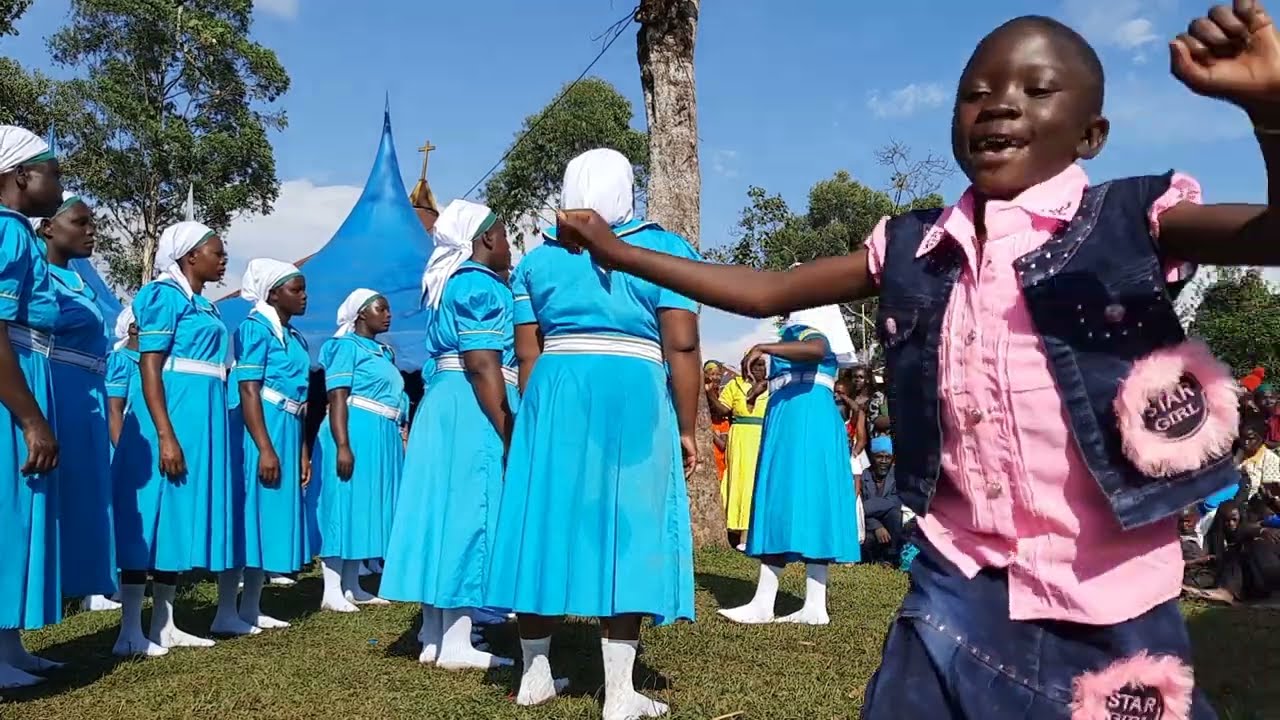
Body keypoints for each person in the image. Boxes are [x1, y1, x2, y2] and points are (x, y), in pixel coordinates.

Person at [552, 5, 1280, 714]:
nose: (999, 106)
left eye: (1036, 89)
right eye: (977, 92)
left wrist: (1269, 114)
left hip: (1107, 589)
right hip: (956, 580)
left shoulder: (1130, 221)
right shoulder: (913, 246)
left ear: (1091, 134)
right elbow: (767, 289)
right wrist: (621, 253)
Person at [484, 148, 701, 719]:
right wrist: (685, 427)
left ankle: (534, 674)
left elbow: (526, 355)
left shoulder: (536, 262)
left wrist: (539, 418)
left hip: (555, 391)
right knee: (628, 525)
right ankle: (621, 693)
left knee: (546, 521)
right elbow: (681, 345)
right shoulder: (662, 248)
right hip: (633, 388)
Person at [381, 199, 517, 671]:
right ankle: (458, 639)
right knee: (469, 511)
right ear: (483, 241)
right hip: (470, 403)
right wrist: (507, 425)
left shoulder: (445, 287)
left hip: (442, 401)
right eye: (503, 236)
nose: (509, 245)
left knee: (442, 511)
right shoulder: (479, 286)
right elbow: (483, 364)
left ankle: (434, 633)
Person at [111, 220, 234, 656]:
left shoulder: (203, 304)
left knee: (176, 519)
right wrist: (165, 433)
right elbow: (150, 365)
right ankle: (129, 629)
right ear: (189, 256)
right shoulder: (161, 296)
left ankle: (164, 623)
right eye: (216, 252)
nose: (223, 259)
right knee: (150, 513)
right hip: (173, 409)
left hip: (201, 414)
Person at [715, 304, 860, 626]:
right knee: (813, 504)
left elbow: (815, 348)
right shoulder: (798, 334)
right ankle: (814, 604)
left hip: (799, 419)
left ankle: (765, 602)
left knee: (779, 499)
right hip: (807, 416)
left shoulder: (803, 330)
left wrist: (764, 346)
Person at [213, 259, 311, 634]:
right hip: (261, 425)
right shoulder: (254, 330)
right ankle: (225, 611)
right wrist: (265, 447)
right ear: (272, 293)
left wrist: (300, 450)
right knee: (247, 513)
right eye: (296, 289)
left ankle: (251, 607)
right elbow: (248, 389)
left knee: (266, 517)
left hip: (288, 424)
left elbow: (301, 396)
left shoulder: (295, 337)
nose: (304, 297)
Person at [0, 126, 65, 688]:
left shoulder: (19, 234)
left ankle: (10, 645)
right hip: (11, 386)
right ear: (21, 176)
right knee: (6, 512)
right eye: (54, 172)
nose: (60, 184)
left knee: (21, 510)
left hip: (28, 374)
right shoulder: (5, 233)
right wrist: (30, 417)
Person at [36, 192, 118, 614]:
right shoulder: (38, 276)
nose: (91, 232)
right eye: (80, 223)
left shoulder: (79, 280)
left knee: (87, 492)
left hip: (88, 390)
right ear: (48, 227)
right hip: (58, 385)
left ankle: (84, 584)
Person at [311, 289, 404, 612]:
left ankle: (353, 584)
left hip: (382, 432)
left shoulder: (383, 351)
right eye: (381, 308)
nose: (388, 314)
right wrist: (342, 445)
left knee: (364, 507)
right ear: (361, 314)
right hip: (355, 428)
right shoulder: (344, 347)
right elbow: (336, 397)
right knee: (343, 503)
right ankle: (331, 588)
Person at [718, 353, 768, 550]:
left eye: (762, 365)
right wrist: (708, 393)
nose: (759, 368)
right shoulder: (734, 384)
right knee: (739, 481)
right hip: (740, 436)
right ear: (745, 366)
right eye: (755, 364)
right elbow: (723, 409)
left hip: (762, 435)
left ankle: (756, 534)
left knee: (758, 482)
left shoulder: (772, 387)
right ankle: (738, 533)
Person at [860, 435, 903, 564]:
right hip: (868, 528)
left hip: (892, 527)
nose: (884, 461)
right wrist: (877, 526)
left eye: (887, 457)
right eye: (879, 457)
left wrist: (866, 508)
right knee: (867, 540)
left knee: (895, 513)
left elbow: (896, 500)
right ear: (872, 457)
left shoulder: (898, 476)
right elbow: (857, 508)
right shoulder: (862, 477)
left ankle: (892, 559)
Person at [1238, 414, 1280, 498]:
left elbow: (1269, 493)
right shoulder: (1235, 453)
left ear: (1262, 438)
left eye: (1251, 439)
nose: (1246, 443)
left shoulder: (1270, 460)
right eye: (1243, 438)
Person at [704, 361, 731, 489]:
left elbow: (723, 445)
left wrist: (711, 432)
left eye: (718, 374)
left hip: (719, 431)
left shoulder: (724, 397)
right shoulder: (699, 396)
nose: (715, 377)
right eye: (711, 374)